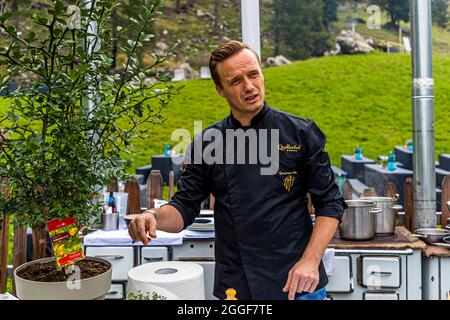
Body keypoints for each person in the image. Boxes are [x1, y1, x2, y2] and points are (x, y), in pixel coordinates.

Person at [128, 40, 346, 300]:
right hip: (238, 283)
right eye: (236, 81)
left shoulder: (300, 132)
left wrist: (310, 262)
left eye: (253, 74)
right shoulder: (208, 143)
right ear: (220, 90)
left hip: (297, 281)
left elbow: (330, 203)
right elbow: (184, 206)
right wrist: (153, 216)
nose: (250, 86)